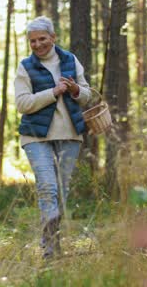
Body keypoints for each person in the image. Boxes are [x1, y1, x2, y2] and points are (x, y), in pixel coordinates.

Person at [14, 16, 92, 259]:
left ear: (53, 37)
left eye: (42, 39)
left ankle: (53, 242)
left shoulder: (70, 60)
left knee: (61, 191)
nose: (37, 45)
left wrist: (75, 90)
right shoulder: (25, 66)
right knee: (47, 187)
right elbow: (22, 103)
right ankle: (49, 251)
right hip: (36, 137)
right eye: (33, 41)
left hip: (70, 135)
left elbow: (87, 95)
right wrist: (53, 92)